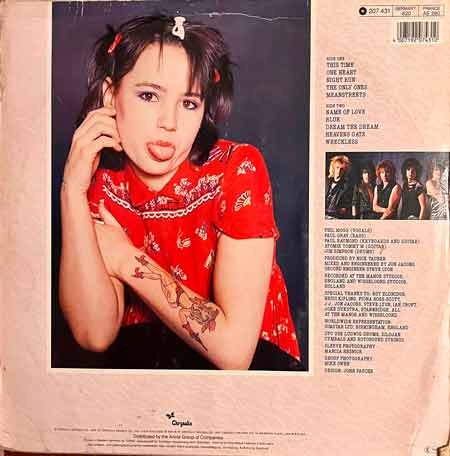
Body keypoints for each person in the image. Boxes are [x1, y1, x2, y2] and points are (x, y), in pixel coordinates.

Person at [59, 15, 301, 370]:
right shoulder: (104, 186)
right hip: (151, 374)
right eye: (148, 96)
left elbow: (234, 353)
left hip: (255, 377)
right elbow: (94, 335)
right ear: (111, 96)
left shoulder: (237, 168)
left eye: (189, 103)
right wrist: (72, 191)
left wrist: (126, 259)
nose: (169, 123)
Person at [325, 155, 352, 219]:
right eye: (337, 167)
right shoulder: (325, 181)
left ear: (345, 171)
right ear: (333, 168)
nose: (339, 171)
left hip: (335, 217)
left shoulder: (347, 187)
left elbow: (345, 208)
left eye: (341, 169)